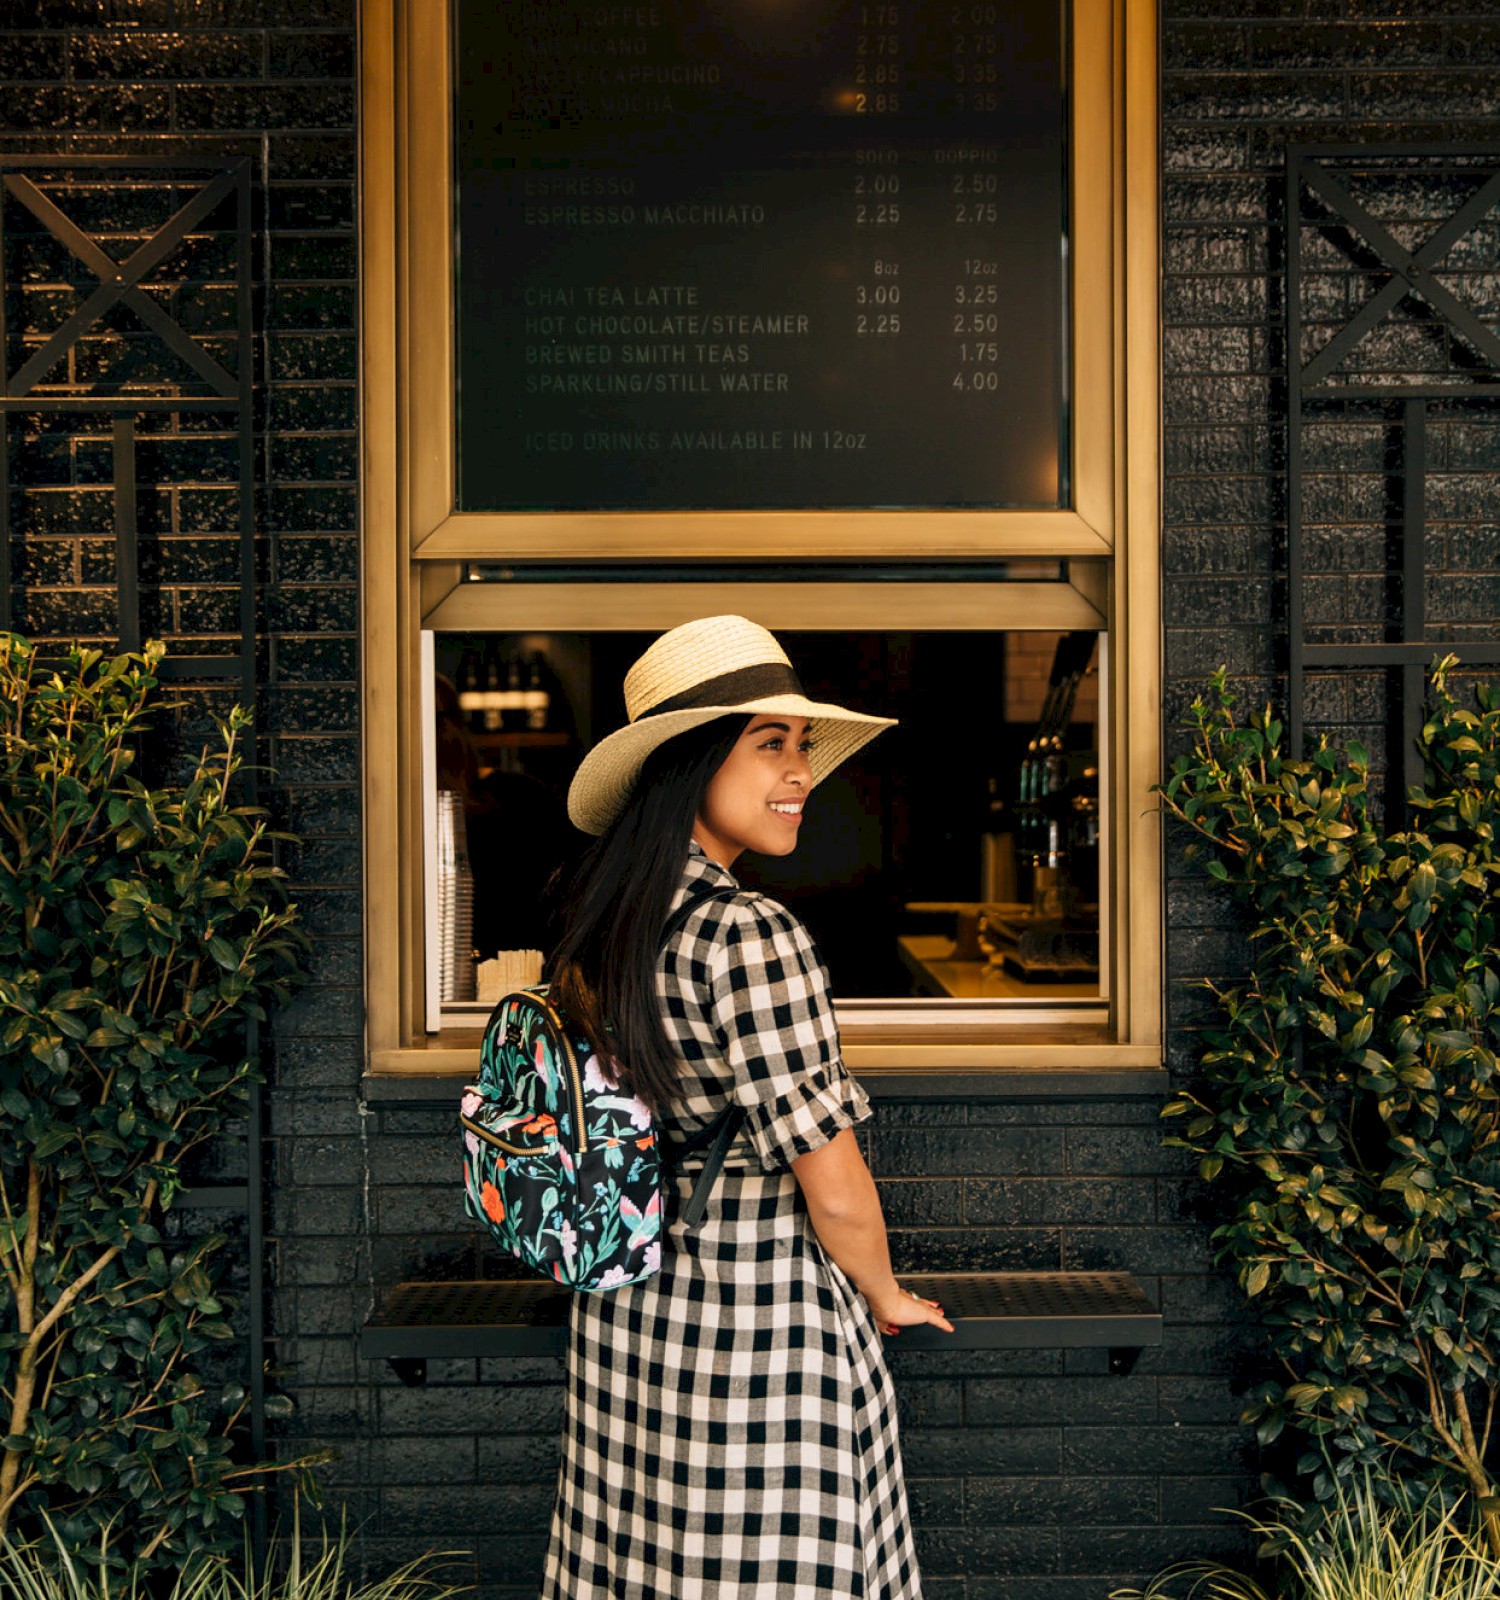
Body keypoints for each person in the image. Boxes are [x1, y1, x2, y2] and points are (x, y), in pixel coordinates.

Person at [540, 614, 952, 1600]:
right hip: (756, 1340)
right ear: (690, 762)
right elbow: (832, 1176)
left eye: (803, 746)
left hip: (632, 1322)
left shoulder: (606, 922)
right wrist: (886, 1290)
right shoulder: (749, 934)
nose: (800, 770)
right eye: (771, 743)